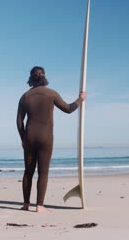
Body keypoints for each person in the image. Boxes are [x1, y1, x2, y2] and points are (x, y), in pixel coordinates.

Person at [16, 66, 86, 213]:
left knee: (28, 172)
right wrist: (80, 99)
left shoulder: (25, 97)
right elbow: (68, 109)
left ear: (30, 78)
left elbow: (19, 121)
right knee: (43, 172)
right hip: (45, 137)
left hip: (29, 137)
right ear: (44, 77)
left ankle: (26, 204)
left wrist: (23, 139)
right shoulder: (51, 94)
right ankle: (40, 206)